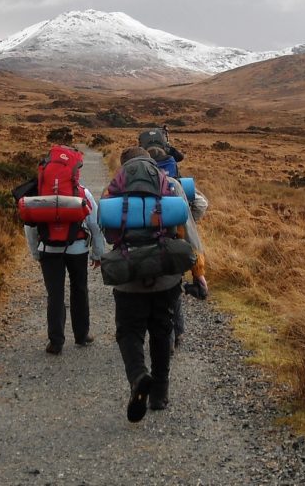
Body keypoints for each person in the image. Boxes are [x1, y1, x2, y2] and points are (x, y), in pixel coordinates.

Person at [101, 147, 204, 422]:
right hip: (166, 273)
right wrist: (199, 272)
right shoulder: (170, 184)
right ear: (150, 163)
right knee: (162, 330)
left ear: (124, 167)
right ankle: (159, 394)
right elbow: (187, 230)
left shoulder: (114, 188)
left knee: (128, 332)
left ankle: (138, 377)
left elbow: (107, 232)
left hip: (129, 274)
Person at [23, 151, 106, 356]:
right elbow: (95, 224)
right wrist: (98, 254)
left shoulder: (38, 193)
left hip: (48, 250)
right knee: (79, 289)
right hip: (77, 248)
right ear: (74, 171)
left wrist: (35, 252)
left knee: (55, 294)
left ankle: (56, 342)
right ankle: (81, 334)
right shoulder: (82, 193)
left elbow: (30, 226)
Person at [145, 146, 209, 351]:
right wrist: (198, 269)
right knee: (173, 290)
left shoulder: (136, 182)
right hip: (176, 242)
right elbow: (201, 204)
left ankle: (163, 335)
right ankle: (176, 334)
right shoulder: (175, 183)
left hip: (146, 244)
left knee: (152, 293)